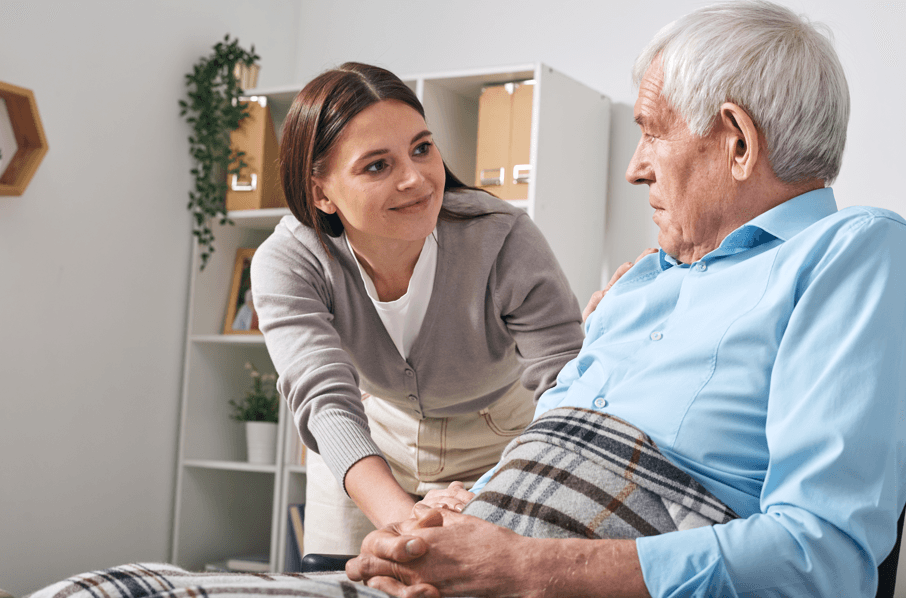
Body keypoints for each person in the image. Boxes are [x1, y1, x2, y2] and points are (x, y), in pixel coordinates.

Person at [345, 2, 906, 596]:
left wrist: (525, 568)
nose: (636, 168)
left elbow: (822, 556)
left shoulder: (851, 252)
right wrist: (449, 515)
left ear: (738, 143)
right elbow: (547, 457)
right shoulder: (638, 283)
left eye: (653, 132)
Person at [250, 62, 585, 554]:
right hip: (369, 443)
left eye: (422, 148)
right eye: (377, 166)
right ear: (321, 193)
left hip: (501, 443)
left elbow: (566, 384)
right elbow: (325, 401)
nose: (416, 179)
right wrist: (407, 521)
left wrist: (489, 496)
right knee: (341, 577)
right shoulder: (290, 261)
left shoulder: (503, 238)